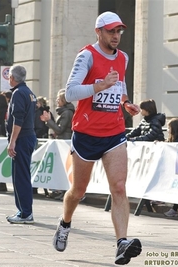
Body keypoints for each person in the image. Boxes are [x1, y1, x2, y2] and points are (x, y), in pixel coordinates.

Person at [52, 12, 142, 265]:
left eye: (119, 32)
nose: (116, 36)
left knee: (119, 187)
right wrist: (98, 86)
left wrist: (126, 103)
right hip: (86, 133)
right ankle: (65, 223)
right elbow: (70, 92)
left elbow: (120, 84)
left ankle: (122, 243)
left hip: (114, 133)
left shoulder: (123, 57)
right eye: (111, 31)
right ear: (99, 32)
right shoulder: (87, 56)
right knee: (78, 191)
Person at [5, 65, 37, 224]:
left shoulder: (18, 94)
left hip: (22, 138)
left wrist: (12, 142)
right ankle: (24, 211)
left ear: (12, 78)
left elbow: (18, 120)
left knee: (20, 177)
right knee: (23, 175)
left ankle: (25, 213)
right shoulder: (30, 93)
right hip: (29, 136)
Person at [40, 89, 75, 200]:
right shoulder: (65, 112)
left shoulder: (66, 113)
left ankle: (64, 191)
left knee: (65, 168)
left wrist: (49, 121)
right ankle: (62, 191)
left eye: (59, 99)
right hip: (63, 141)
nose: (56, 101)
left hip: (65, 142)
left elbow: (60, 130)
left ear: (64, 100)